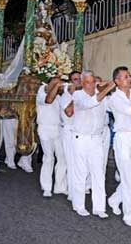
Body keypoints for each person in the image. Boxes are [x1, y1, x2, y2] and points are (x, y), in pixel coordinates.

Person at [65, 71, 114, 218]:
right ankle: (79, 205)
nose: (91, 85)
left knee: (99, 174)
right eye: (87, 82)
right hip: (81, 139)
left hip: (96, 139)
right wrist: (108, 87)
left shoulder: (103, 97)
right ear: (82, 83)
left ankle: (99, 207)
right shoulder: (78, 96)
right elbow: (90, 103)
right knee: (80, 173)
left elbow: (111, 107)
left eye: (93, 82)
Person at [107, 66, 131, 227]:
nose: (129, 79)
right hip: (124, 139)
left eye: (129, 76)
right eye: (125, 77)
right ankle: (128, 214)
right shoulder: (114, 98)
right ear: (117, 81)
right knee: (127, 177)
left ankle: (114, 199)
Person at [39, 77, 66, 197]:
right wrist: (56, 85)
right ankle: (46, 187)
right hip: (45, 128)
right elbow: (48, 100)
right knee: (49, 157)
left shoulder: (60, 97)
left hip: (58, 129)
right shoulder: (41, 91)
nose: (59, 85)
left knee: (62, 157)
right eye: (55, 83)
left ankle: (59, 186)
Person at [58, 71, 81, 202]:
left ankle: (77, 189)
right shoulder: (66, 97)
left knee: (78, 163)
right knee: (71, 163)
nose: (78, 82)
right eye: (75, 79)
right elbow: (69, 113)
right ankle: (72, 193)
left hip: (79, 131)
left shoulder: (81, 95)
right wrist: (74, 97)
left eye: (79, 79)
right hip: (68, 131)